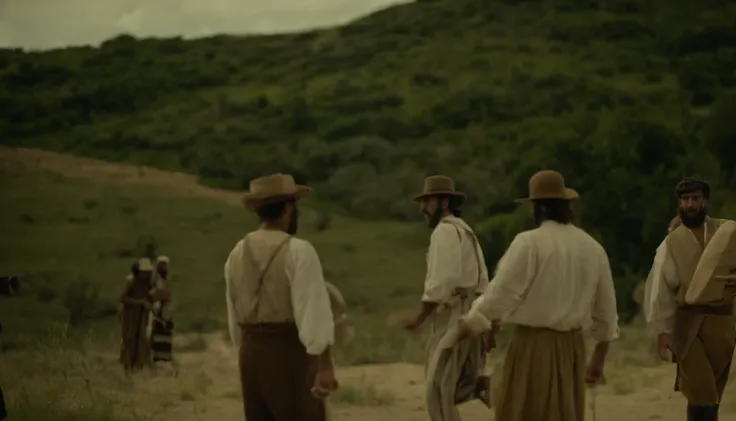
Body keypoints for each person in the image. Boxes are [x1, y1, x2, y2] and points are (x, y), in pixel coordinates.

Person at [449, 170, 619, 421]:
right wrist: (598, 359)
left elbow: (501, 294)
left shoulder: (529, 243)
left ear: (536, 207)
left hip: (533, 345)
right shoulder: (593, 249)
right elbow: (606, 311)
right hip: (573, 349)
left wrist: (472, 323)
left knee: (525, 411)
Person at [224, 173, 337, 421]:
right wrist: (325, 366)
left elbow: (234, 316)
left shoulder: (236, 253)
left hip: (250, 353)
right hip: (287, 353)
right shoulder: (299, 251)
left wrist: (247, 350)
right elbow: (314, 312)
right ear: (288, 208)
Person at [398, 174, 495, 420]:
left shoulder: (445, 231)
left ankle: (489, 386)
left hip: (456, 317)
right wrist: (486, 323)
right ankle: (481, 386)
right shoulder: (466, 231)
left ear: (444, 203)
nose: (423, 208)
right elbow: (483, 282)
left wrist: (419, 316)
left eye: (428, 201)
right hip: (472, 313)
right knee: (452, 382)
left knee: (437, 390)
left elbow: (442, 282)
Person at [645, 177, 736, 421]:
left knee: (711, 393)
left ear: (705, 201)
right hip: (688, 324)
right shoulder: (671, 242)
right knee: (702, 391)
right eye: (685, 200)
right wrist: (662, 330)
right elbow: (660, 289)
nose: (690, 204)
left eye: (695, 199)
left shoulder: (726, 232)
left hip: (723, 324)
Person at [119, 258, 154, 374]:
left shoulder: (148, 282)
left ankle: (139, 365)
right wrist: (140, 302)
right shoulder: (130, 281)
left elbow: (150, 296)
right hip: (130, 314)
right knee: (130, 339)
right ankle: (127, 366)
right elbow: (123, 298)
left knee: (141, 339)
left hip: (142, 313)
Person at [149, 256, 176, 372]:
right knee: (159, 333)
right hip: (160, 310)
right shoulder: (157, 279)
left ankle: (164, 359)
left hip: (165, 310)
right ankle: (159, 360)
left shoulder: (164, 279)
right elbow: (155, 294)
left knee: (165, 334)